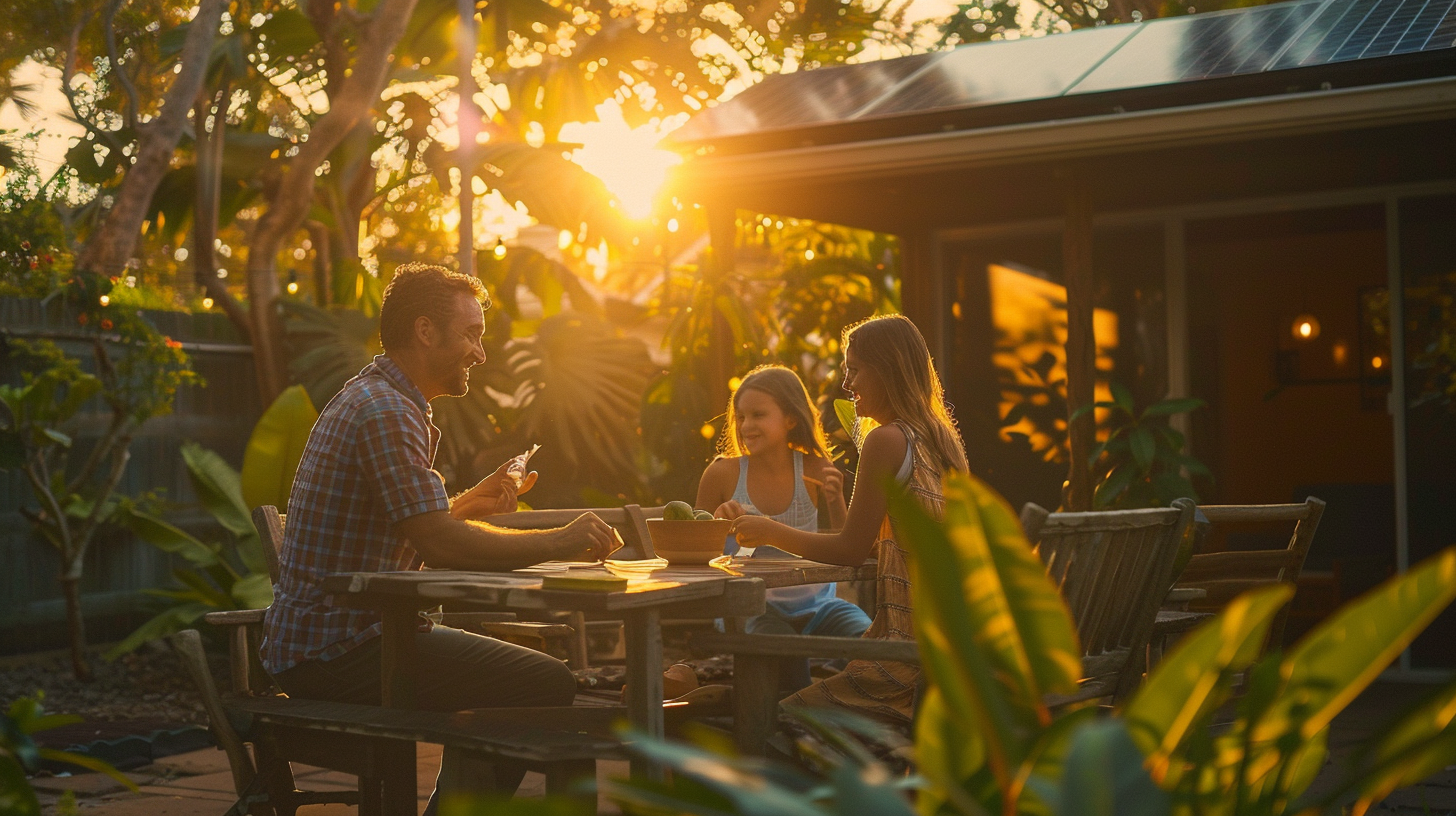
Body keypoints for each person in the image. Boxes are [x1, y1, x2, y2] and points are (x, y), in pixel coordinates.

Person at [261, 262, 615, 805]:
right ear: (425, 331)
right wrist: (562, 540)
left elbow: (412, 524)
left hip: (341, 642)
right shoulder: (386, 411)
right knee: (543, 684)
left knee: (513, 680)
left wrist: (468, 505)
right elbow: (438, 543)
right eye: (471, 334)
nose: (481, 352)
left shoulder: (379, 398)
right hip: (339, 652)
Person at [731, 315, 969, 726]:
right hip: (957, 652)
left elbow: (850, 551)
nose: (847, 385)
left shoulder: (887, 440)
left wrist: (769, 529)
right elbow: (890, 544)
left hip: (908, 659)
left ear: (888, 369)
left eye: (854, 370)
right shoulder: (942, 442)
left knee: (779, 718)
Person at [694, 365, 868, 691]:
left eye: (758, 415)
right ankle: (798, 723)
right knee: (785, 655)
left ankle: (843, 715)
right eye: (741, 416)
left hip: (821, 606)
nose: (746, 425)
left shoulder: (817, 470)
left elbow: (846, 548)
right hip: (756, 608)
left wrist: (835, 502)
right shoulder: (722, 475)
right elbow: (692, 552)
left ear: (790, 419)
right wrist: (717, 523)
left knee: (870, 642)